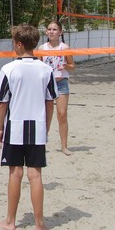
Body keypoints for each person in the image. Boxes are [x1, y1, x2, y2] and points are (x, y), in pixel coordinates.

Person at [0, 24, 57, 230]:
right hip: (37, 126)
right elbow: (50, 103)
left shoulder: (9, 69)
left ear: (19, 44)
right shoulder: (46, 69)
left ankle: (10, 221)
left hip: (15, 126)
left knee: (15, 174)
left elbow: (2, 103)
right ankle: (39, 224)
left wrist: (0, 127)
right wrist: (46, 127)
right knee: (35, 175)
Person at [39, 21, 74, 155]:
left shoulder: (65, 48)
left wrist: (65, 66)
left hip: (61, 82)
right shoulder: (42, 48)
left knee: (62, 114)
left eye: (54, 29)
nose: (51, 31)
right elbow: (37, 66)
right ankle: (42, 143)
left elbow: (72, 66)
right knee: (45, 115)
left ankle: (64, 146)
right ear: (46, 32)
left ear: (60, 32)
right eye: (49, 29)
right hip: (46, 84)